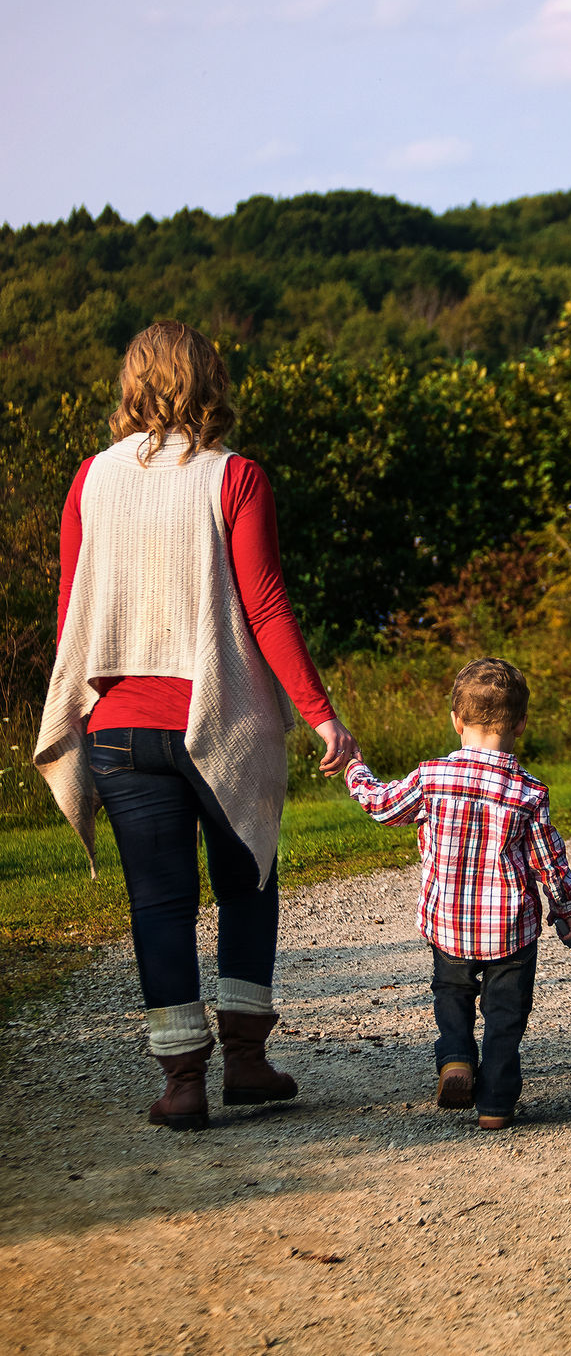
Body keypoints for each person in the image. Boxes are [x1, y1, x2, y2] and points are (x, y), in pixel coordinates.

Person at [34, 321, 357, 1130]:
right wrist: (321, 715)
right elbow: (266, 604)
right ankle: (245, 1061)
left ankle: (182, 1083)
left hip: (117, 727)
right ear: (210, 380)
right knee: (247, 881)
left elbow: (73, 608)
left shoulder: (91, 480)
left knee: (158, 904)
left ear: (132, 384)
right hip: (222, 720)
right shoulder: (235, 476)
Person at [343, 656, 571, 1129]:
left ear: (456, 720)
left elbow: (382, 806)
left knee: (451, 995)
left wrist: (355, 771)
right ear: (522, 723)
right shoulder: (528, 792)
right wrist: (564, 907)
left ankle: (455, 1059)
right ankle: (495, 1105)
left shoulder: (430, 777)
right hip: (509, 930)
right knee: (506, 1016)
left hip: (448, 923)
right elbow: (549, 861)